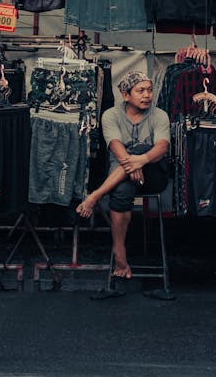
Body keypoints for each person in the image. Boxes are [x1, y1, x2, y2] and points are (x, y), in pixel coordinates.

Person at [76, 71, 170, 279]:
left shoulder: (159, 115)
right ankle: (120, 253)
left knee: (141, 148)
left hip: (153, 176)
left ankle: (95, 196)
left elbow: (162, 147)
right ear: (126, 95)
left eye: (149, 90)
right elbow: (116, 148)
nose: (147, 95)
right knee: (120, 191)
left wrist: (141, 159)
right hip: (122, 176)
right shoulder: (110, 115)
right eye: (140, 91)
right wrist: (133, 163)